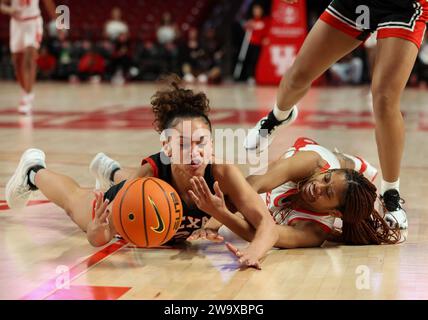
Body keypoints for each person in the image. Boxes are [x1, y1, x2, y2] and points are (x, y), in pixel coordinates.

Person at [5, 77, 278, 269]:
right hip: (132, 205)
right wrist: (98, 231)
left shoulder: (223, 174)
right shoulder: (148, 175)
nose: (194, 152)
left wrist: (254, 252)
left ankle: (110, 169)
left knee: (139, 190)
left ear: (212, 143)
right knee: (75, 201)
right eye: (182, 144)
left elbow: (267, 225)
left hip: (147, 197)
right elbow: (98, 237)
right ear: (167, 148)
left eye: (201, 142)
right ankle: (33, 171)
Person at [244, 0, 428, 230]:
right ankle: (277, 117)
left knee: (384, 98)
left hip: (403, 7)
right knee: (298, 75)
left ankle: (391, 194)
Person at [188, 137, 401, 254]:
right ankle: (355, 164)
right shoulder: (312, 164)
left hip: (331, 187)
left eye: (327, 193)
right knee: (341, 165)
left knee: (355, 194)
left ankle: (358, 172)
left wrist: (223, 214)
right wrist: (212, 224)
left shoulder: (315, 231)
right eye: (325, 179)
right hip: (315, 152)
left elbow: (265, 236)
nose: (317, 186)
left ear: (334, 212)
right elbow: (251, 185)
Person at [0, 0, 56, 113]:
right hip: (16, 23)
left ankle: (27, 96)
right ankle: (25, 90)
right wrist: (8, 9)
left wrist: (59, 24)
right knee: (17, 61)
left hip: (33, 22)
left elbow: (49, 4)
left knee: (29, 58)